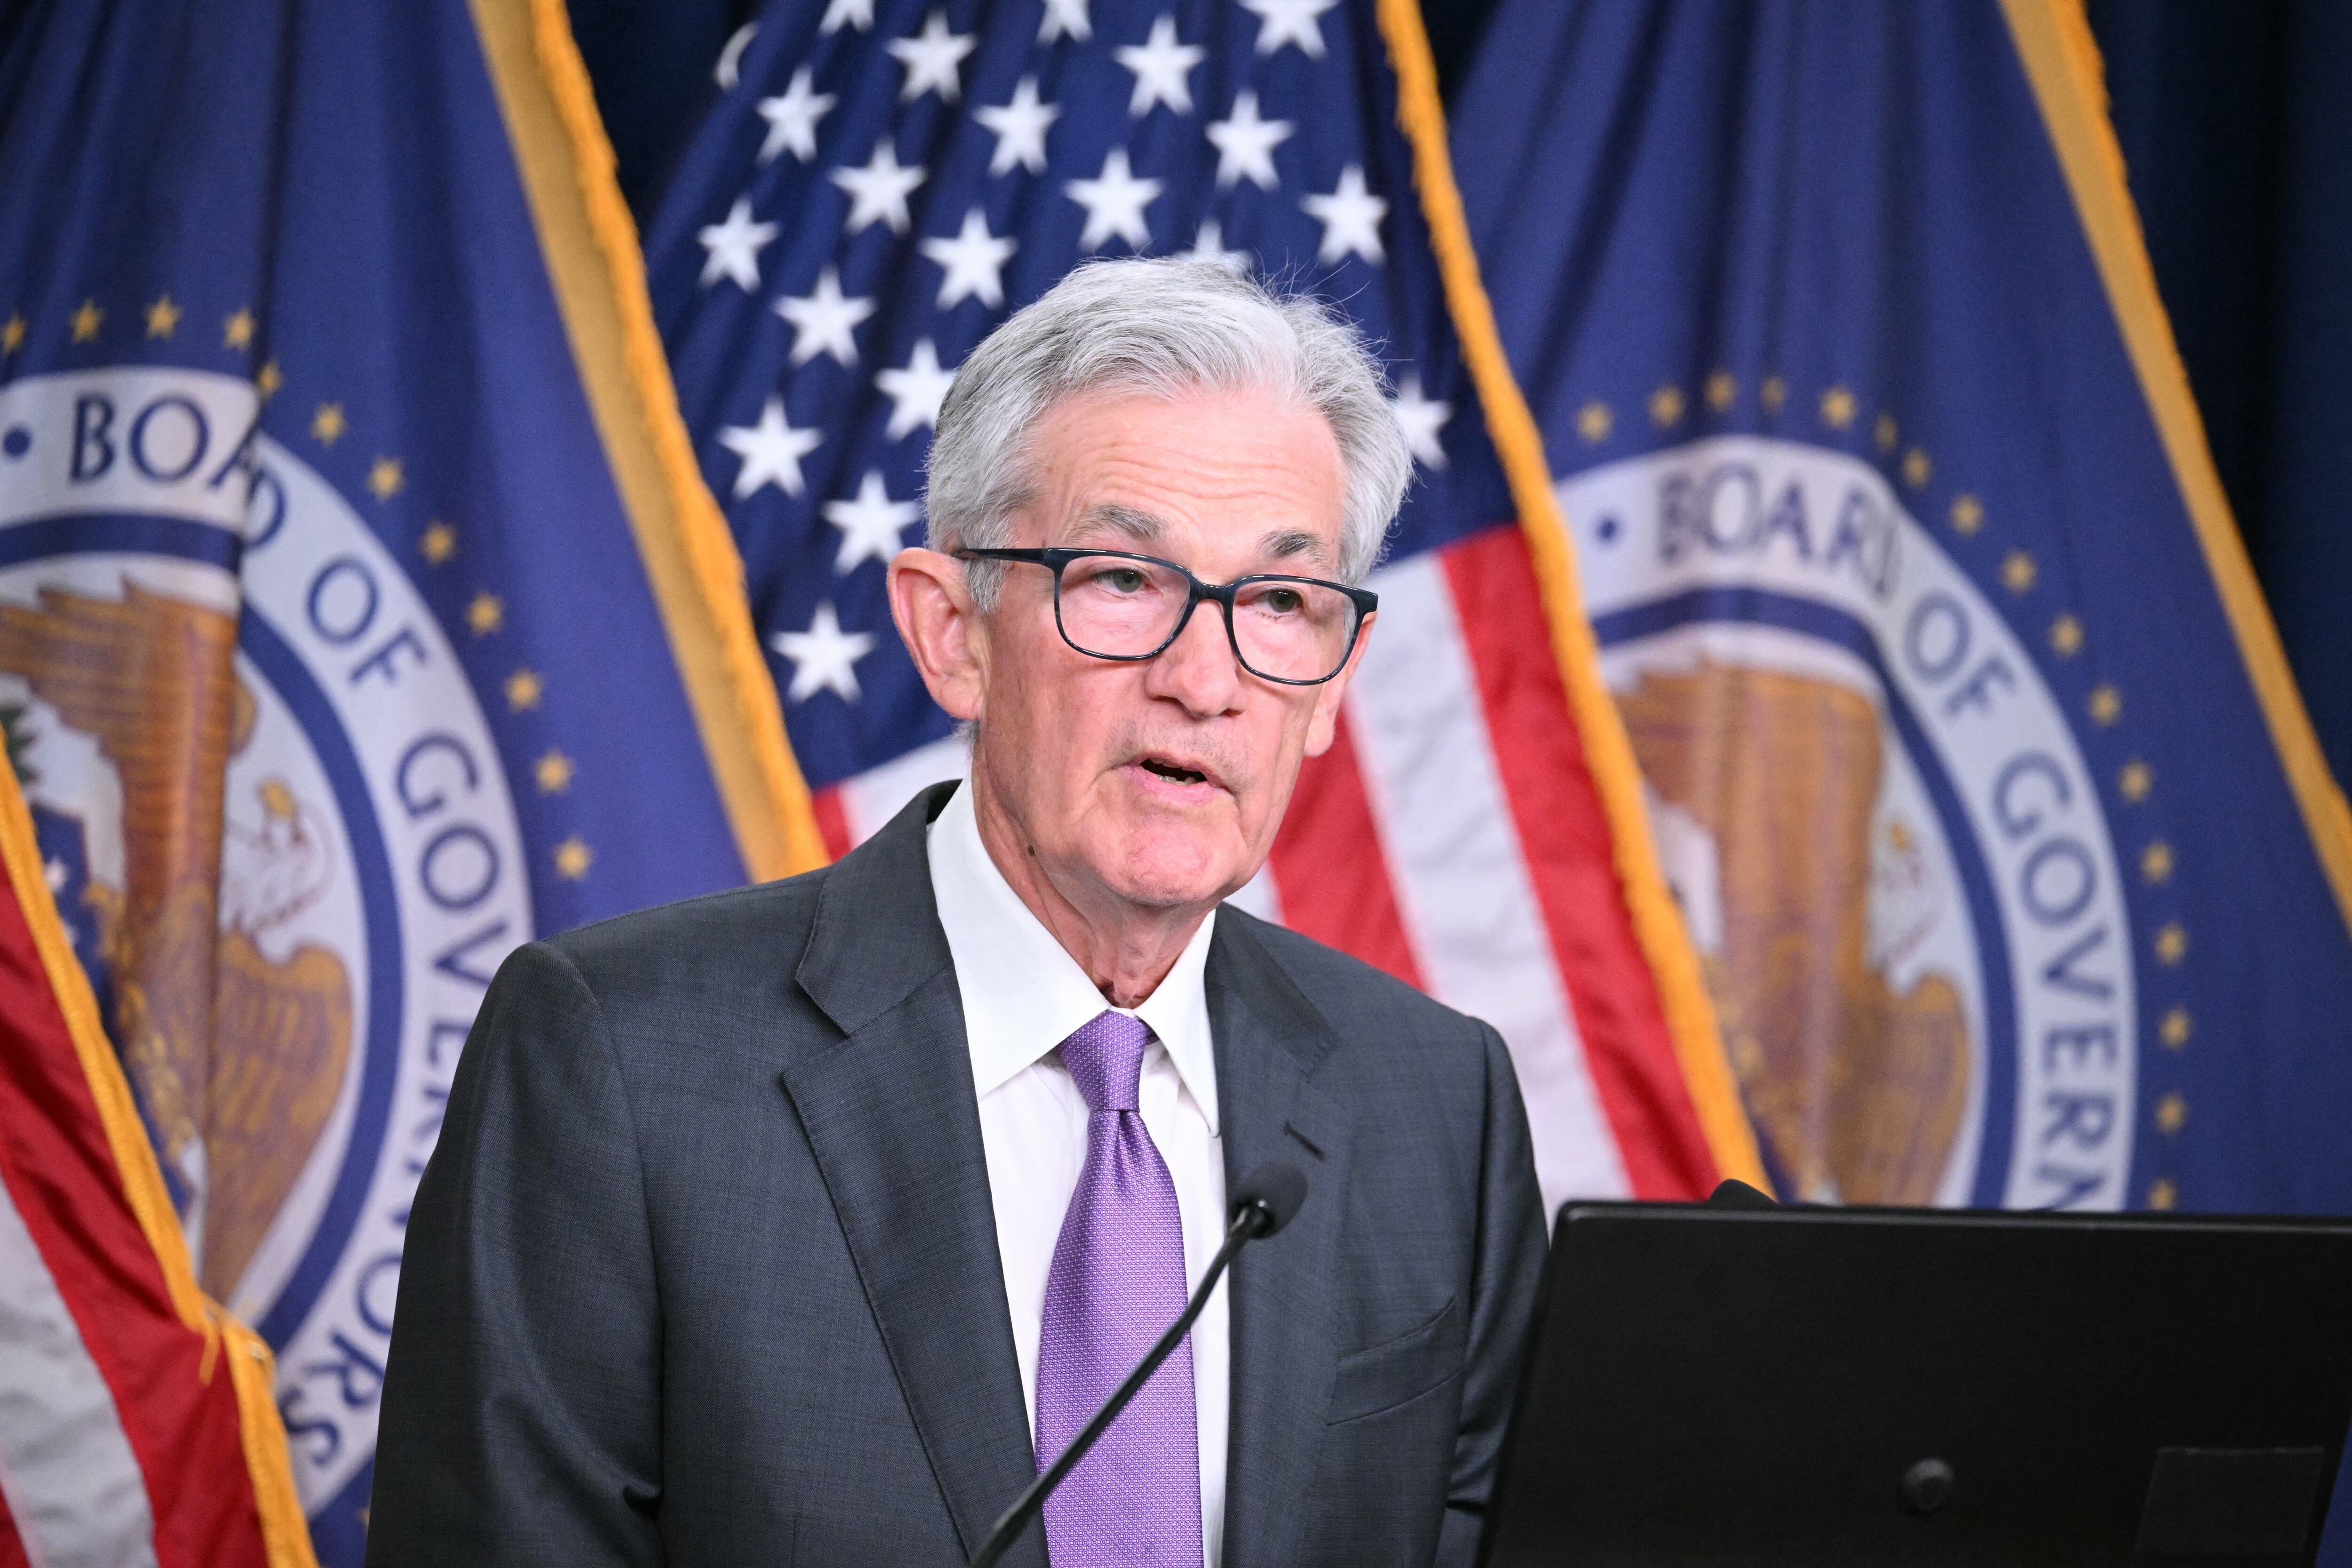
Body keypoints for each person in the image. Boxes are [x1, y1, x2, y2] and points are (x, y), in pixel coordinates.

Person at [367, 257, 1547, 1568]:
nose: (1205, 680)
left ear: (1333, 681)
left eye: (1278, 603)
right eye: (1123, 581)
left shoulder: (1436, 1101)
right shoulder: (620, 1064)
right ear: (952, 635)